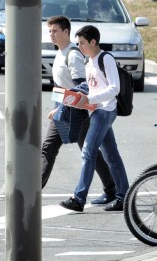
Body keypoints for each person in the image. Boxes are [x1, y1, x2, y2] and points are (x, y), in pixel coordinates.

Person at [41, 15, 117, 206]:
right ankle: (112, 188)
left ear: (66, 31)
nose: (51, 34)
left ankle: (35, 189)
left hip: (74, 110)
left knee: (52, 148)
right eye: (49, 31)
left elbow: (81, 87)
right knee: (89, 151)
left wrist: (62, 107)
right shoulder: (60, 52)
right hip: (67, 108)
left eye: (55, 31)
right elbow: (62, 87)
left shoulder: (73, 55)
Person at [59, 25, 130, 213]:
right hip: (97, 110)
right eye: (78, 43)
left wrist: (90, 99)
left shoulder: (105, 58)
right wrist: (76, 97)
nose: (79, 47)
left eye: (82, 43)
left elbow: (114, 88)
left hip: (105, 111)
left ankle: (79, 198)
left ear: (93, 42)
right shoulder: (89, 61)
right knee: (111, 155)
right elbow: (92, 86)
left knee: (88, 153)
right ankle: (124, 196)